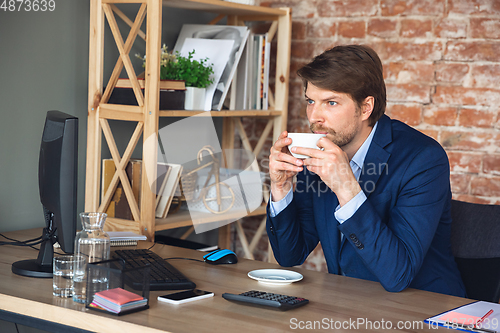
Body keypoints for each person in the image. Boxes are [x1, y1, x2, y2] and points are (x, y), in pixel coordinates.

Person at [266, 44, 466, 297]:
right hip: (350, 305)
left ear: (366, 107)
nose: (315, 116)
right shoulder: (319, 149)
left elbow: (398, 275)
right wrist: (281, 188)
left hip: (424, 307)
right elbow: (289, 255)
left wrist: (345, 187)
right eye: (310, 101)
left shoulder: (423, 159)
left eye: (331, 102)